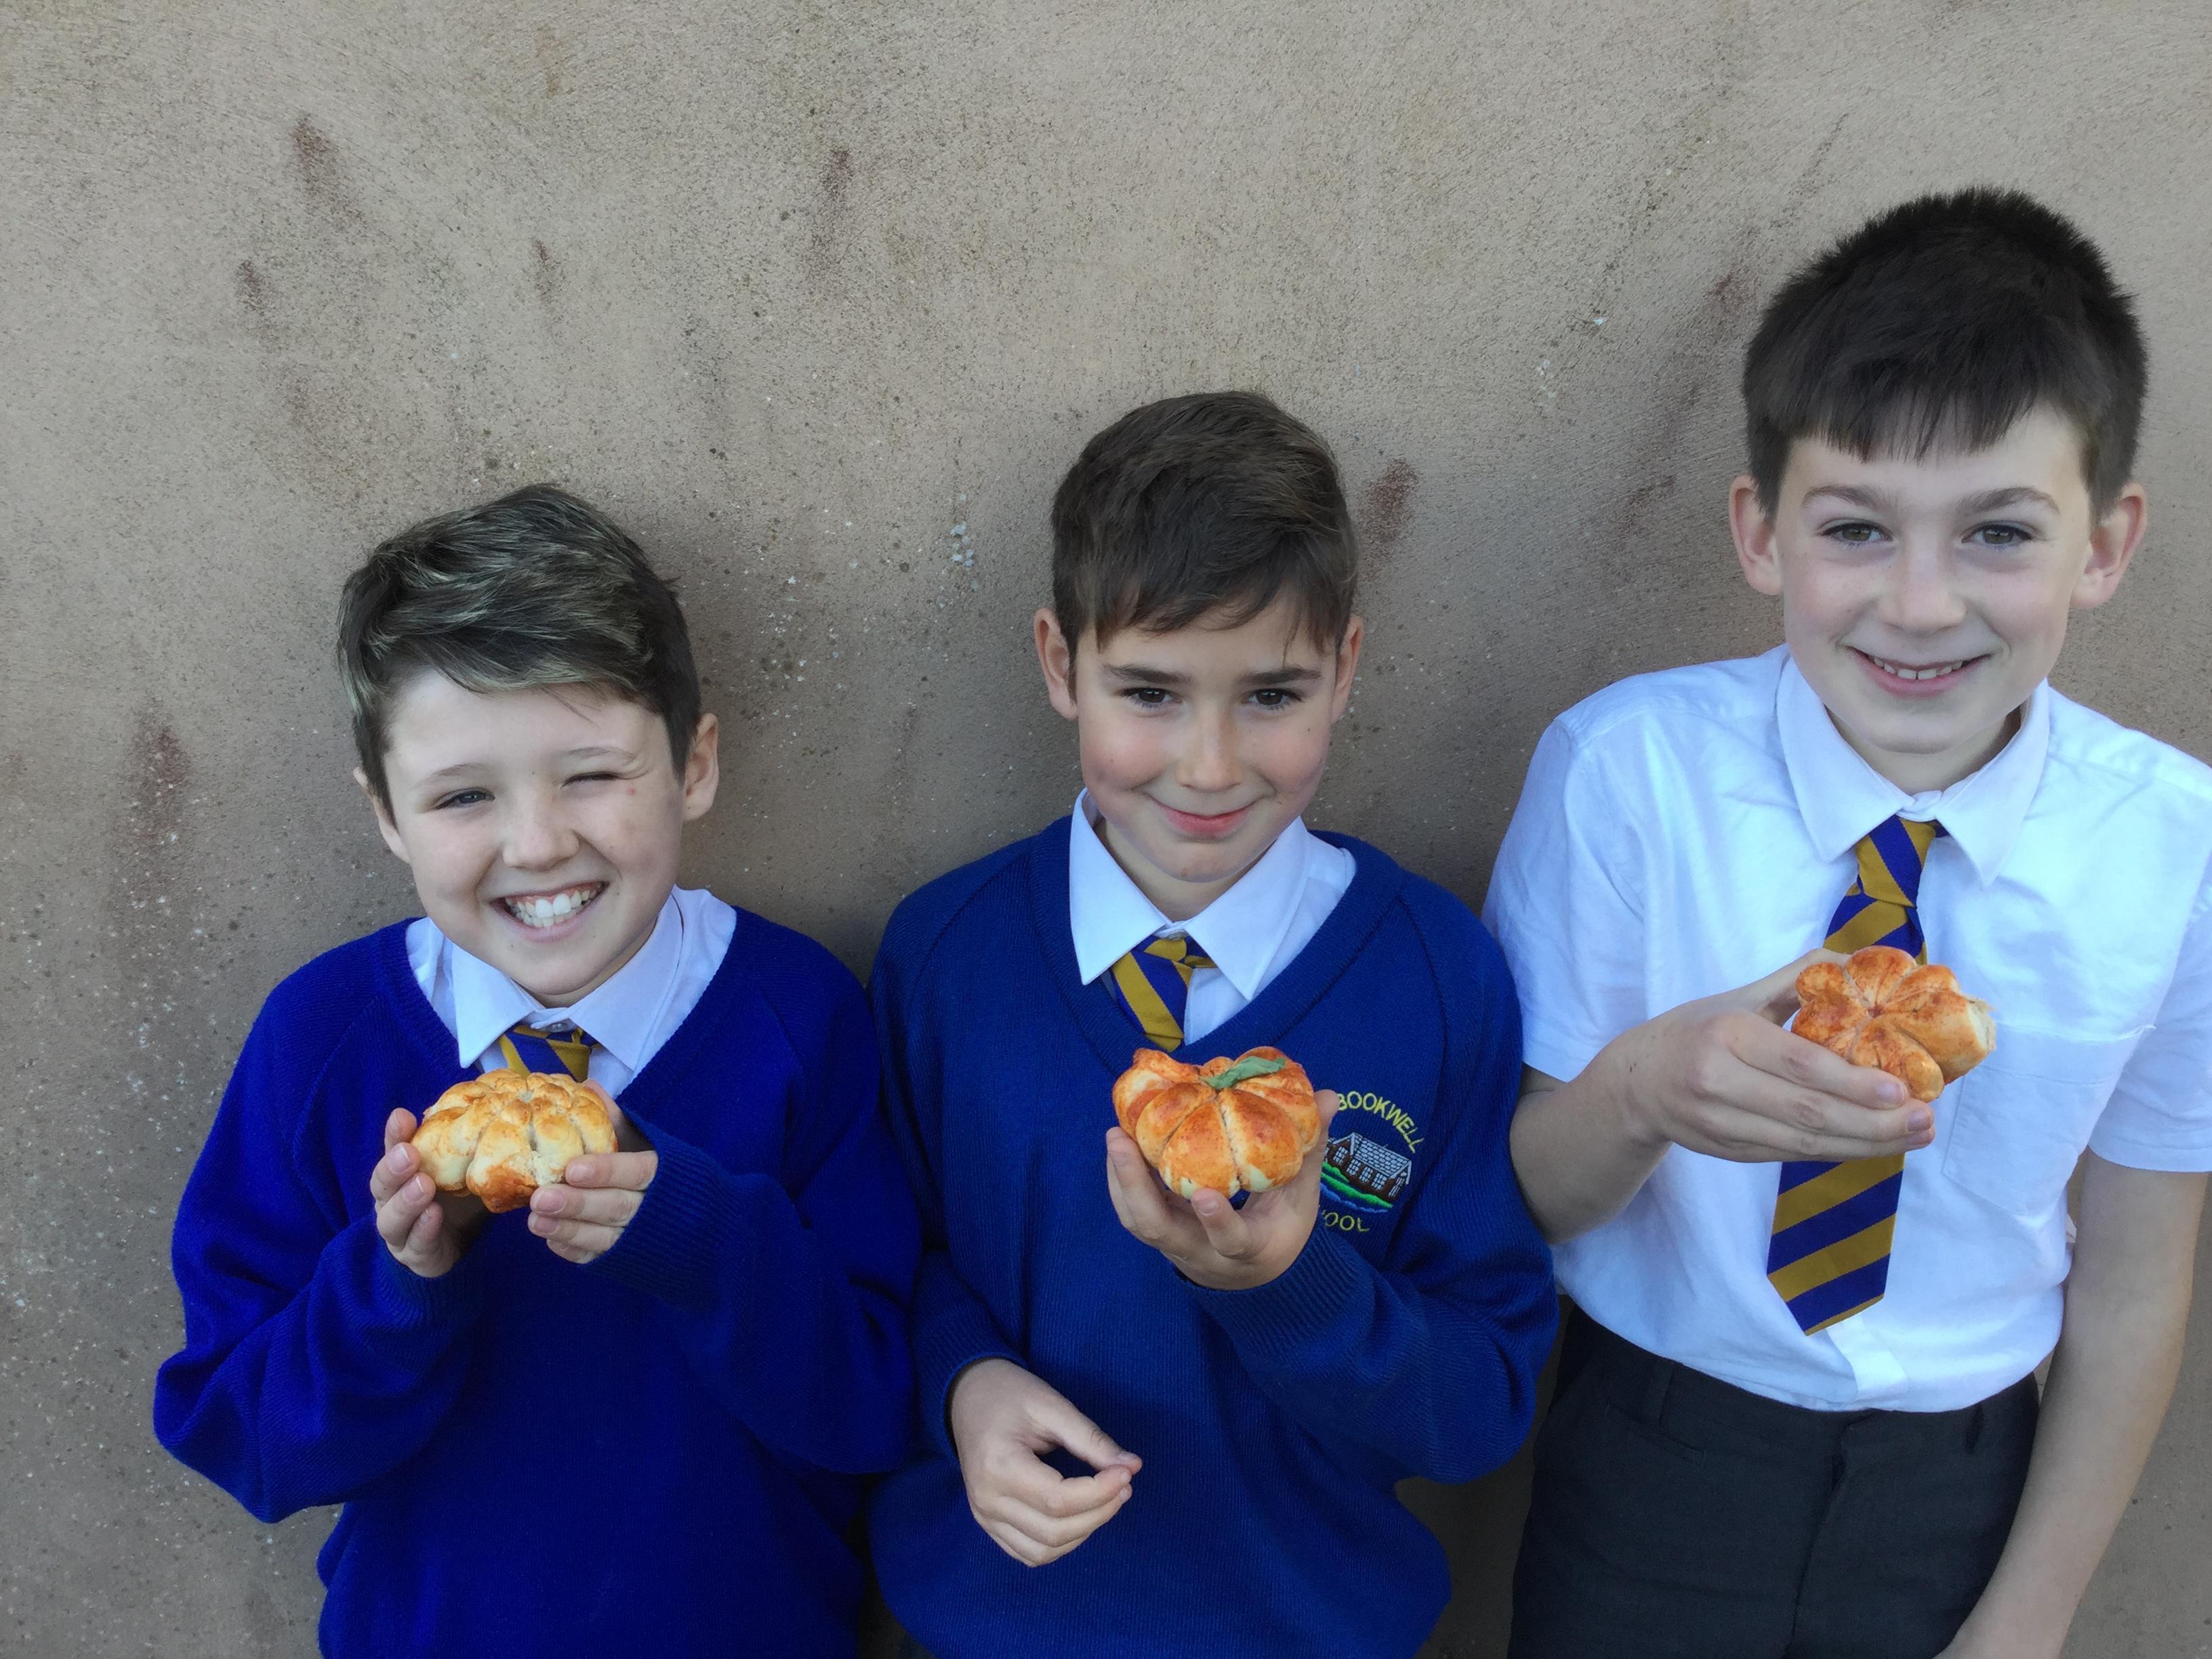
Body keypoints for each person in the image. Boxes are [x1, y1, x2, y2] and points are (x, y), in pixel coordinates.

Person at [1488, 188, 2211, 1659]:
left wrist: (2031, 1616)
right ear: (1762, 533)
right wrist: (1645, 1091)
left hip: (1965, 1485)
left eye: (1998, 531)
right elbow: (1519, 1200)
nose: (1922, 604)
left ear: (2104, 543)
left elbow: (2137, 1273)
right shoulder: (1627, 774)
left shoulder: (2180, 851)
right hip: (1653, 1456)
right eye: (1858, 528)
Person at [152, 485, 917, 1658]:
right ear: (388, 816)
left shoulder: (797, 1016)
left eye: (591, 775)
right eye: (464, 796)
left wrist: (701, 1237)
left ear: (694, 764)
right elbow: (246, 1443)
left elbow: (873, 1408)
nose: (539, 844)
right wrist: (398, 1283)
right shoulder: (321, 1041)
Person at [865, 390, 1556, 1658]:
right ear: (1059, 664)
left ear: (1347, 668)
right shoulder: (946, 955)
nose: (1210, 765)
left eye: (1273, 694)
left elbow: (1480, 1405)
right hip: (993, 1625)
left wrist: (1294, 1285)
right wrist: (961, 1382)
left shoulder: (1438, 977)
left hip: (1308, 1628)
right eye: (1151, 692)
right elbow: (881, 1265)